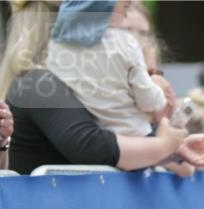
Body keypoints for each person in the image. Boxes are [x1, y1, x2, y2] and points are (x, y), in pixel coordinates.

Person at [0, 0, 204, 174]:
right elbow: (91, 145)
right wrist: (164, 145)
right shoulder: (37, 82)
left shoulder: (59, 81)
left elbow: (112, 144)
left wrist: (172, 150)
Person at [46, 0, 168, 136]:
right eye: (127, 29)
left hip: (88, 135)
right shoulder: (126, 44)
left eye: (143, 33)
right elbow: (149, 102)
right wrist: (159, 90)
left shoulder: (54, 47)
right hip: (133, 135)